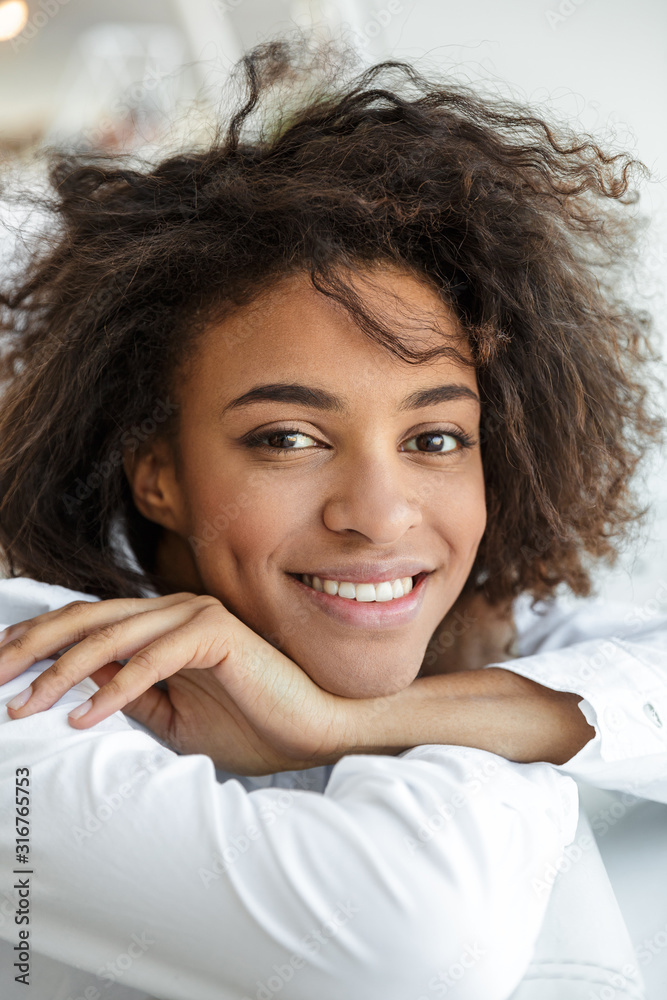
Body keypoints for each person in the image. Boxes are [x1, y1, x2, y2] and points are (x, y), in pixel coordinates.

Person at [0, 32, 666, 1000]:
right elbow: (408, 948)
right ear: (158, 474)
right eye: (286, 437)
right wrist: (486, 723)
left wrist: (339, 722)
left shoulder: (478, 625)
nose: (378, 515)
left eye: (434, 438)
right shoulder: (37, 670)